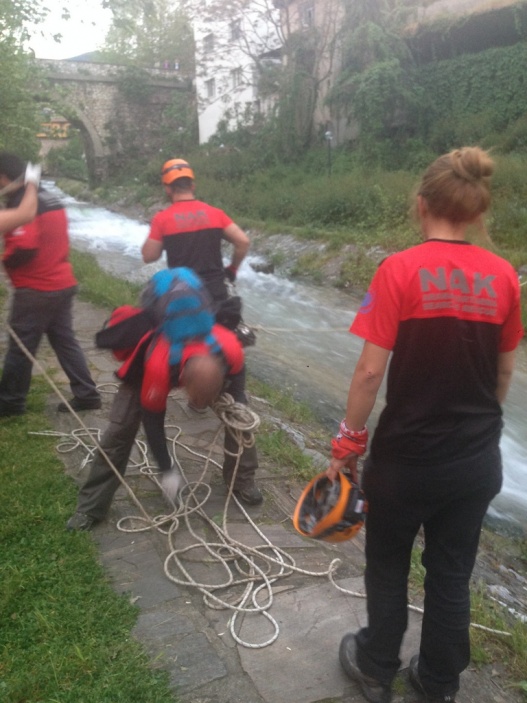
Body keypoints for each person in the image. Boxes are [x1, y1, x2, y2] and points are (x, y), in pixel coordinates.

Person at [328, 147, 523, 703]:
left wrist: (347, 442)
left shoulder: (399, 270)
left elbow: (370, 373)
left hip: (406, 461)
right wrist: (477, 425)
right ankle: (437, 681)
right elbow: (504, 370)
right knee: (451, 573)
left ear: (422, 204)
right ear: (476, 210)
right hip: (475, 460)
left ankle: (375, 665)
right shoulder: (505, 276)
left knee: (387, 565)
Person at [67, 267, 262, 532]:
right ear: (182, 383)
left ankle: (242, 480)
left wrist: (237, 406)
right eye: (197, 400)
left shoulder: (229, 348)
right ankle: (91, 507)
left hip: (200, 332)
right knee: (120, 430)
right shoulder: (158, 365)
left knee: (240, 418)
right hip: (158, 315)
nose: (202, 407)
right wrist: (167, 471)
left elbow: (237, 392)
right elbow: (153, 425)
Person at [0, 152, 101, 418]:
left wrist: (5, 259)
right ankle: (87, 394)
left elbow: (25, 246)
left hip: (37, 289)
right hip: (62, 281)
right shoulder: (49, 197)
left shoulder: (21, 201)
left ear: (4, 177)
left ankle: (10, 403)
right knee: (65, 341)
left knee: (20, 348)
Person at [141, 158, 250, 326]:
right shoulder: (216, 213)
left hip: (183, 296)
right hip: (216, 294)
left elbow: (149, 256)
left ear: (168, 189)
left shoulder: (162, 219)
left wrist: (157, 229)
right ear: (192, 186)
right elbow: (243, 242)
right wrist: (233, 269)